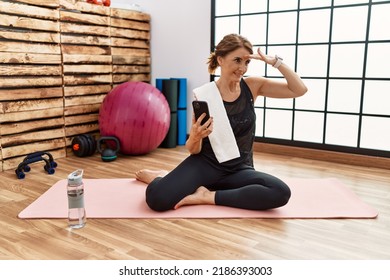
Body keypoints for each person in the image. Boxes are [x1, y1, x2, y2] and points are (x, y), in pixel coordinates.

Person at [136, 33, 307, 212]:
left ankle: (207, 195)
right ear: (221, 60)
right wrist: (195, 136)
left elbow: (299, 89)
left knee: (280, 192)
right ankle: (162, 176)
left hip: (239, 169)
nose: (242, 68)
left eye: (247, 62)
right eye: (237, 60)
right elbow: (194, 149)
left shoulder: (253, 86)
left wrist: (275, 62)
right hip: (205, 164)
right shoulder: (204, 95)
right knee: (157, 200)